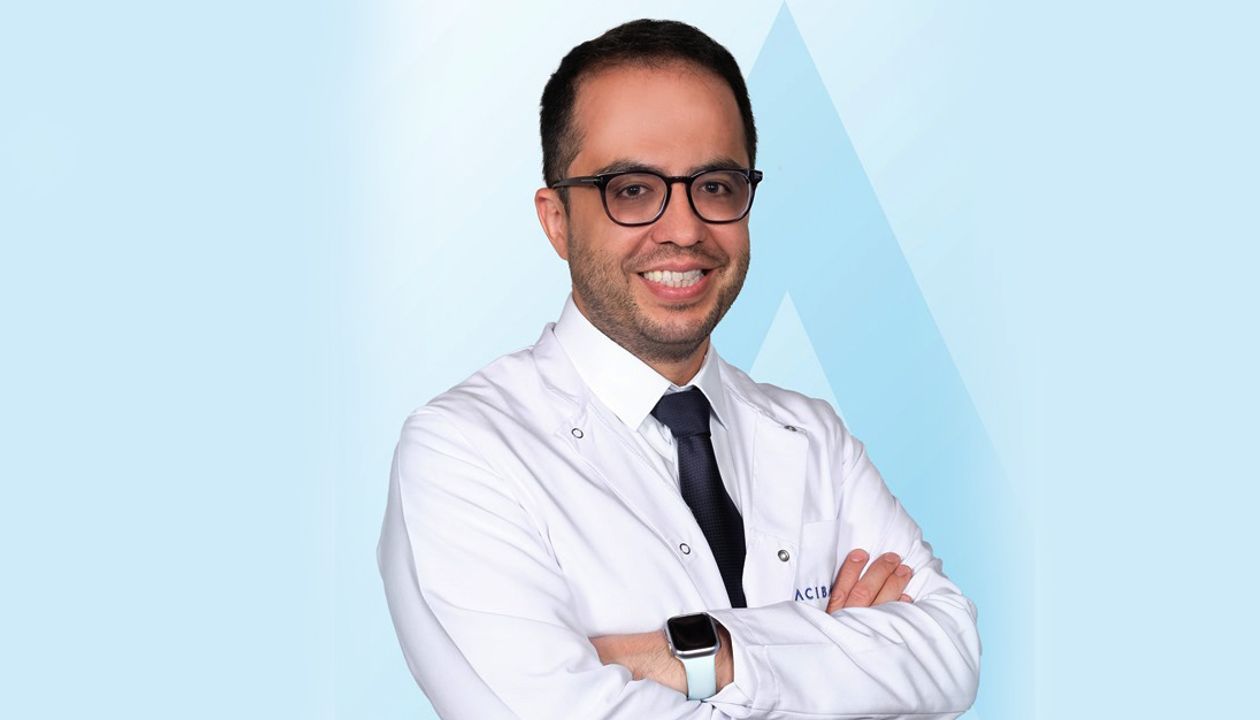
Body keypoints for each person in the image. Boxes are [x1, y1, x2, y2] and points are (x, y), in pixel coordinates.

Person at [377, 18, 980, 720]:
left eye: (715, 185)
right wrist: (842, 659)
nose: (685, 228)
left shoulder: (814, 438)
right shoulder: (464, 452)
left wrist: (705, 655)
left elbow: (952, 652)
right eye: (632, 189)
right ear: (556, 220)